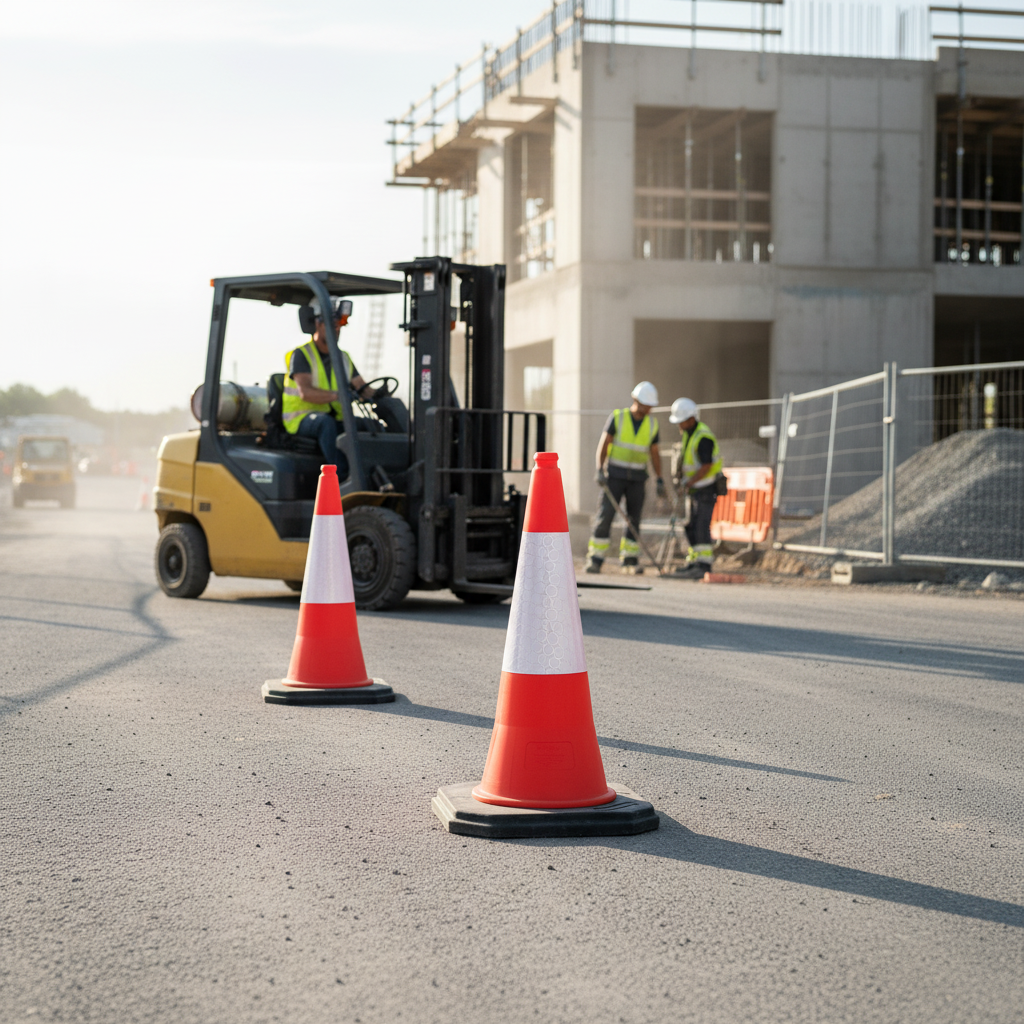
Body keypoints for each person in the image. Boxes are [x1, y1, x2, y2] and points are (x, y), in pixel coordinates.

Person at [282, 296, 408, 478]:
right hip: (302, 418)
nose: (337, 329)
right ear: (317, 323)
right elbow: (305, 392)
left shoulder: (343, 358)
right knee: (326, 425)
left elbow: (362, 388)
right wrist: (338, 395)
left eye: (340, 324)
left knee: (369, 425)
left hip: (335, 417)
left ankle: (386, 471)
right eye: (332, 324)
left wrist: (379, 393)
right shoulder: (301, 355)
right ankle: (341, 477)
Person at [585, 381, 666, 574]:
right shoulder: (618, 417)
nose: (648, 409)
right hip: (614, 476)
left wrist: (659, 478)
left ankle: (629, 560)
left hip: (638, 478)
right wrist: (599, 469)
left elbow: (655, 454)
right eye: (646, 405)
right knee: (605, 516)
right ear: (636, 400)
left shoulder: (652, 424)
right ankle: (595, 559)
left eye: (650, 406)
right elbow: (604, 443)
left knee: (634, 519)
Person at [668, 397, 723, 578]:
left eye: (680, 421)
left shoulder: (703, 436)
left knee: (701, 526)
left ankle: (704, 564)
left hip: (705, 489)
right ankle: (694, 562)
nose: (679, 425)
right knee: (690, 526)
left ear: (690, 419)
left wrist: (689, 482)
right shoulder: (689, 435)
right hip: (695, 490)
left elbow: (706, 466)